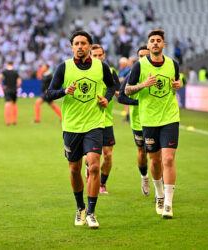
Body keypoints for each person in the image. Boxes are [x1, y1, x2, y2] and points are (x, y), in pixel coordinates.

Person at [47, 31, 115, 228]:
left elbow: (111, 87)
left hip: (94, 124)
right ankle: (80, 207)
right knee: (75, 168)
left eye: (83, 43)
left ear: (89, 46)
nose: (80, 46)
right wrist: (64, 91)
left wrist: (106, 98)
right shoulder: (64, 67)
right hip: (71, 126)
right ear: (71, 47)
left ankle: (92, 213)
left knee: (94, 165)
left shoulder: (101, 67)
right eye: (76, 43)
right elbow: (50, 93)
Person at [125, 29, 181, 219]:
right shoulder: (140, 66)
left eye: (159, 40)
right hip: (148, 120)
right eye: (152, 41)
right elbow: (127, 90)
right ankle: (159, 193)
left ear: (164, 45)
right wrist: (143, 85)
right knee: (155, 161)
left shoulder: (173, 64)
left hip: (170, 118)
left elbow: (176, 82)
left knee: (168, 160)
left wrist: (177, 85)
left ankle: (168, 204)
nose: (155, 43)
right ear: (148, 46)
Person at [83, 44, 120, 194]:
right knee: (90, 158)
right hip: (90, 120)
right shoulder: (85, 72)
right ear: (90, 56)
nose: (98, 58)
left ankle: (102, 184)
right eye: (95, 55)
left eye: (100, 55)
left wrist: (122, 95)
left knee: (108, 155)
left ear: (104, 56)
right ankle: (88, 168)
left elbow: (118, 92)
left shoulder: (111, 72)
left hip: (107, 120)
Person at [118, 45, 151, 196]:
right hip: (138, 120)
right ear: (137, 59)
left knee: (159, 154)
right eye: (141, 56)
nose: (144, 58)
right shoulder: (132, 74)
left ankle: (161, 182)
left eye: (146, 55)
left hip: (156, 118)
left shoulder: (159, 73)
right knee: (142, 151)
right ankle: (144, 177)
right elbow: (121, 97)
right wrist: (138, 103)